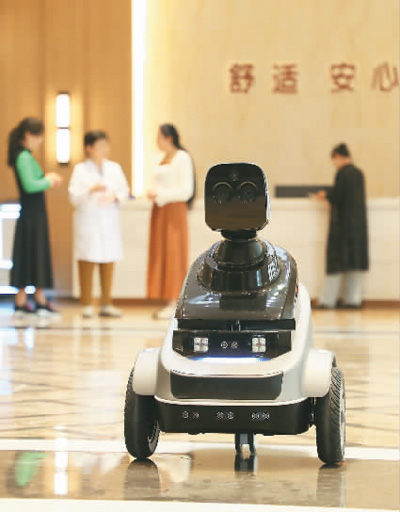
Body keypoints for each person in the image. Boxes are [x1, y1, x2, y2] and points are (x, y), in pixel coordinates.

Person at [68, 131, 129, 318]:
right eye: (100, 146)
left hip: (109, 221)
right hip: (89, 221)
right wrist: (90, 189)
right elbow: (73, 196)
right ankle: (86, 303)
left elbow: (125, 191)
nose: (105, 149)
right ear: (89, 148)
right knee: (87, 260)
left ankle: (106, 303)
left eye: (106, 145)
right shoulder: (80, 170)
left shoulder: (114, 168)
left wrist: (115, 196)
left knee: (108, 261)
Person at [7, 117, 62, 317]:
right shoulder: (23, 156)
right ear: (28, 135)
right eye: (38, 136)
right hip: (31, 215)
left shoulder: (26, 156)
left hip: (35, 214)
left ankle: (31, 299)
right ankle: (31, 301)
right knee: (30, 253)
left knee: (32, 254)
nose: (40, 141)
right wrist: (48, 180)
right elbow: (30, 185)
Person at [147, 124, 195, 319]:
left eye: (159, 137)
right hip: (159, 210)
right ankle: (166, 299)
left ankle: (175, 300)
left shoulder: (182, 157)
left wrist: (161, 194)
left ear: (169, 138)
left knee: (174, 253)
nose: (156, 141)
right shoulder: (159, 159)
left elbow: (186, 190)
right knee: (161, 253)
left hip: (174, 210)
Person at [315, 143, 369, 309]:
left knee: (336, 264)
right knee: (354, 265)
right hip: (358, 227)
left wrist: (326, 194)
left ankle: (327, 300)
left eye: (334, 160)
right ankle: (353, 300)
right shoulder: (359, 173)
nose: (334, 164)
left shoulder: (342, 174)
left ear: (338, 157)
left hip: (342, 227)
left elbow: (338, 196)